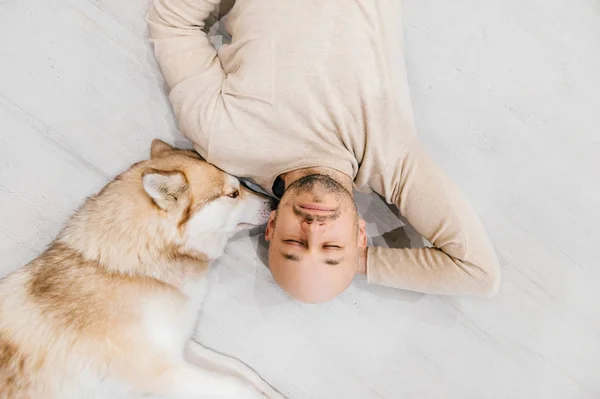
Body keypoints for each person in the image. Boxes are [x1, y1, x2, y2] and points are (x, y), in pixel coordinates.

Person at [146, 0, 501, 303]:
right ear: (360, 235)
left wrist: (341, 257)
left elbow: (172, 22)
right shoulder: (389, 158)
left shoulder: (223, 137)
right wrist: (358, 261)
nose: (313, 229)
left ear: (270, 226)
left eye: (293, 242)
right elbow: (478, 273)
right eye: (331, 249)